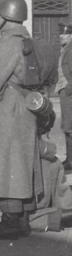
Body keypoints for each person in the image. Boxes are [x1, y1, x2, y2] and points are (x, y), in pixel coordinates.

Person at [0, 0, 43, 240]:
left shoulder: (8, 42)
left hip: (10, 107)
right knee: (22, 162)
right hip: (26, 106)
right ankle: (21, 217)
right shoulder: (27, 40)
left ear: (5, 16)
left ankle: (11, 220)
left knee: (7, 162)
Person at [55, 18, 72, 172]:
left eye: (64, 35)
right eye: (61, 35)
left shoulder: (71, 50)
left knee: (70, 128)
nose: (61, 37)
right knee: (67, 127)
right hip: (64, 92)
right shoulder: (65, 49)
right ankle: (69, 159)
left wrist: (68, 90)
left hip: (69, 94)